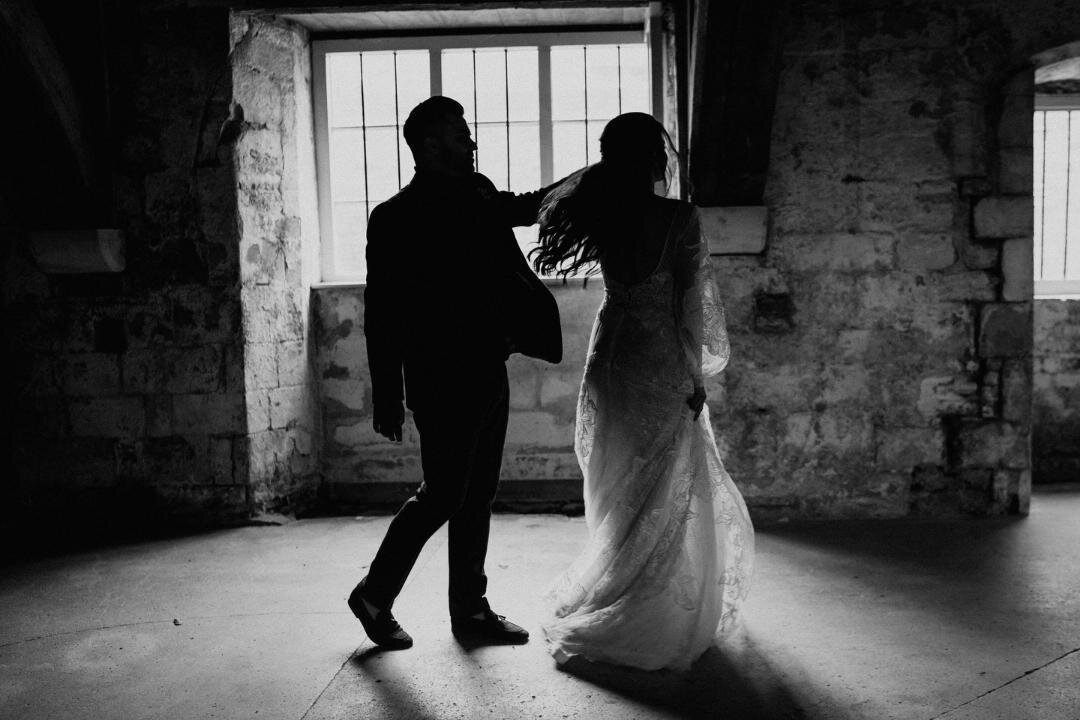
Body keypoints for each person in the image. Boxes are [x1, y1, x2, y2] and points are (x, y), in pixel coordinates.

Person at [533, 112, 754, 672]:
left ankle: (620, 584)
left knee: (619, 469)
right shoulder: (679, 218)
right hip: (658, 359)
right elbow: (692, 307)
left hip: (614, 354)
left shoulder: (598, 207)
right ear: (654, 156)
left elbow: (539, 206)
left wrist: (603, 167)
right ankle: (648, 598)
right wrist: (697, 377)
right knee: (665, 473)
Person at [349, 96, 563, 650]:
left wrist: (591, 177)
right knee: (444, 493)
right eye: (461, 133)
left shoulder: (478, 192)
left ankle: (469, 611)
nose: (471, 142)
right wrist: (387, 395)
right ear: (429, 145)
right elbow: (383, 313)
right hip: (440, 379)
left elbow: (530, 206)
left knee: (477, 494)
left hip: (490, 368)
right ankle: (373, 595)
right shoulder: (393, 218)